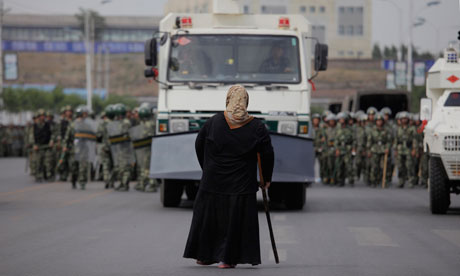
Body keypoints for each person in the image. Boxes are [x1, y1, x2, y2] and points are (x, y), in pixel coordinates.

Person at [183, 85, 274, 268]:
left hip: (213, 181)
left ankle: (204, 256)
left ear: (228, 100)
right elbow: (267, 154)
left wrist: (207, 168)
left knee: (209, 218)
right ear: (246, 102)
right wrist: (266, 179)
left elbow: (199, 145)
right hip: (240, 184)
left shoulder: (214, 122)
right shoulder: (257, 127)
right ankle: (227, 259)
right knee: (234, 220)